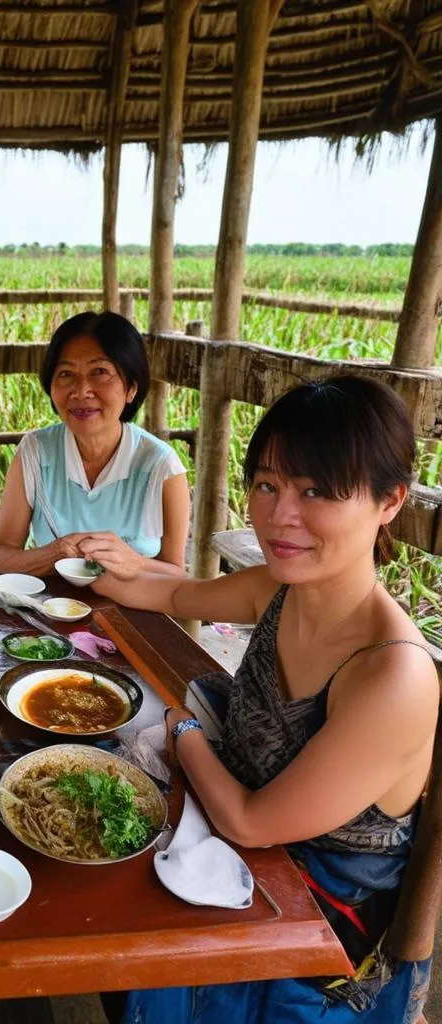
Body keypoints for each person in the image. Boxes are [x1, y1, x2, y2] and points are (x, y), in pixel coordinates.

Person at [84, 376, 437, 1023]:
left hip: (317, 921)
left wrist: (184, 730)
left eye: (317, 491)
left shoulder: (392, 677)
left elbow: (250, 821)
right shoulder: (279, 588)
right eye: (268, 484)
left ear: (390, 500)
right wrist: (90, 567)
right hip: (234, 840)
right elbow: (175, 595)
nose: (280, 515)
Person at [0, 310, 189, 577]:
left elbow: (177, 575)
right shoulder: (37, 451)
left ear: (131, 388)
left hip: (135, 615)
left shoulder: (160, 467)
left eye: (100, 372)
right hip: (52, 611)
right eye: (66, 374)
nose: (81, 391)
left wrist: (133, 562)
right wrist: (57, 552)